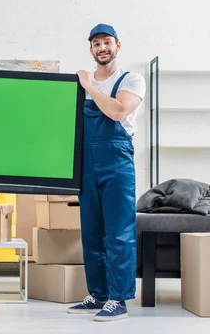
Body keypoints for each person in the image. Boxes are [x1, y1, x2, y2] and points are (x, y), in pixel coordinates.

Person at [68, 24, 145, 322]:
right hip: (87, 162)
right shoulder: (79, 84)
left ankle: (118, 299)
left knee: (118, 232)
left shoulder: (131, 80)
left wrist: (89, 87)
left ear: (117, 45)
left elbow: (117, 111)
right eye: (97, 43)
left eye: (107, 42)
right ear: (90, 49)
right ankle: (98, 294)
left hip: (116, 161)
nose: (102, 48)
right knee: (91, 232)